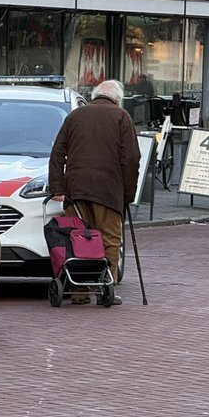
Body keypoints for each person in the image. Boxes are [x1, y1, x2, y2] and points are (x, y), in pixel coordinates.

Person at [48, 78, 140, 305]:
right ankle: (105, 288)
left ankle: (79, 292)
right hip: (108, 192)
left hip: (75, 191)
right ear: (117, 99)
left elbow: (57, 153)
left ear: (94, 96)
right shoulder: (121, 117)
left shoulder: (75, 116)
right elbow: (131, 159)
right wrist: (127, 194)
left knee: (78, 239)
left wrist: (58, 188)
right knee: (109, 239)